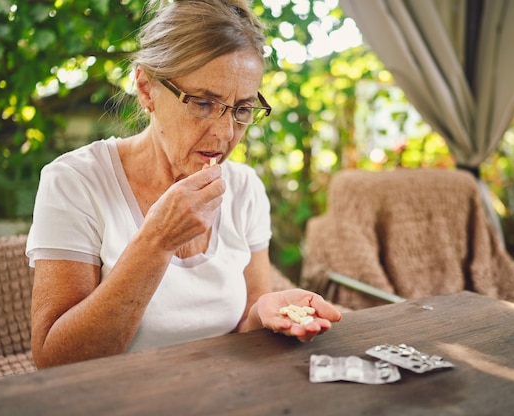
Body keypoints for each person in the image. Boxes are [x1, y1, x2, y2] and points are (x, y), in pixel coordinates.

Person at [26, 0, 341, 369]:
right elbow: (53, 359)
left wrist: (265, 314)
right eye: (204, 103)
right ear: (146, 89)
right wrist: (156, 241)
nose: (225, 134)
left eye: (242, 109)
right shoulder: (75, 181)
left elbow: (245, 327)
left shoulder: (245, 189)